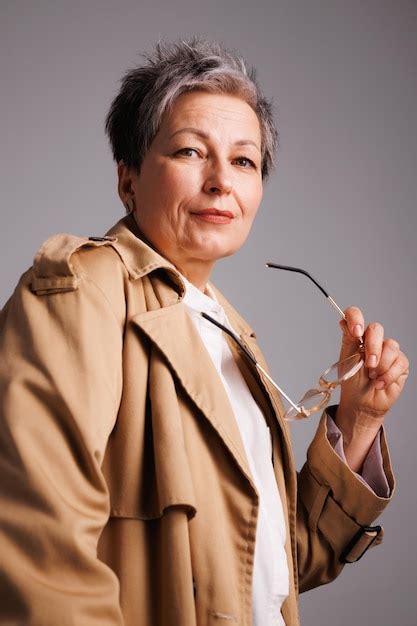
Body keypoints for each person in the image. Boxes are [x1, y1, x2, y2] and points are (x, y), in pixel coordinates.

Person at [0, 38, 409, 626]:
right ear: (129, 178)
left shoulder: (228, 332)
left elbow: (272, 567)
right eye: (191, 152)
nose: (221, 181)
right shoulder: (81, 290)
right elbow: (36, 540)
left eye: (244, 160)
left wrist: (358, 419)